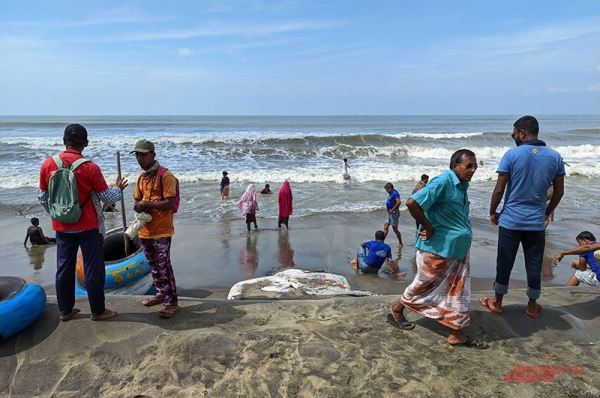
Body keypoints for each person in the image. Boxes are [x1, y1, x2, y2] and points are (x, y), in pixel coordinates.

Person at [388, 149, 488, 349]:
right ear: (454, 166)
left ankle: (455, 333)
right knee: (423, 285)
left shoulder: (461, 186)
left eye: (474, 166)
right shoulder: (443, 182)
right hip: (438, 249)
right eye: (468, 166)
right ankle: (396, 310)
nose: (472, 170)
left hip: (456, 249)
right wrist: (428, 226)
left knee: (456, 291)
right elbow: (412, 203)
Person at [38, 123, 127, 322]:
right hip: (88, 226)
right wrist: (119, 189)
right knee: (93, 268)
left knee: (64, 267)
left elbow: (42, 197)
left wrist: (57, 214)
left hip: (61, 227)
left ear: (64, 141)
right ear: (85, 143)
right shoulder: (90, 167)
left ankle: (65, 311)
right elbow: (106, 197)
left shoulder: (48, 165)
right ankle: (97, 311)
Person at [481, 116, 565, 319]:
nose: (513, 138)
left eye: (514, 134)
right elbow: (559, 192)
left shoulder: (511, 155)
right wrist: (546, 211)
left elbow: (499, 188)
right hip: (536, 223)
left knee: (505, 261)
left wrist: (493, 211)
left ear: (522, 132)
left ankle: (498, 303)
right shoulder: (555, 157)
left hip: (511, 220)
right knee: (534, 264)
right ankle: (531, 305)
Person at [132, 139, 179, 318]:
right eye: (137, 155)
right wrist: (138, 205)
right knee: (153, 265)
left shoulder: (166, 176)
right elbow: (137, 200)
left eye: (143, 154)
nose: (140, 158)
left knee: (163, 266)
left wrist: (147, 203)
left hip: (162, 230)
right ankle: (160, 293)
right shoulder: (141, 178)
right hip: (145, 230)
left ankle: (172, 302)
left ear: (153, 154)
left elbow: (169, 202)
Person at [383, 183, 403, 247]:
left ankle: (400, 242)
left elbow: (399, 202)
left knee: (395, 229)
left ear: (390, 188)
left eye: (387, 189)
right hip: (389, 213)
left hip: (394, 213)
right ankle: (382, 241)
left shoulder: (395, 193)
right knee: (386, 226)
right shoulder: (391, 193)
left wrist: (392, 209)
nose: (386, 191)